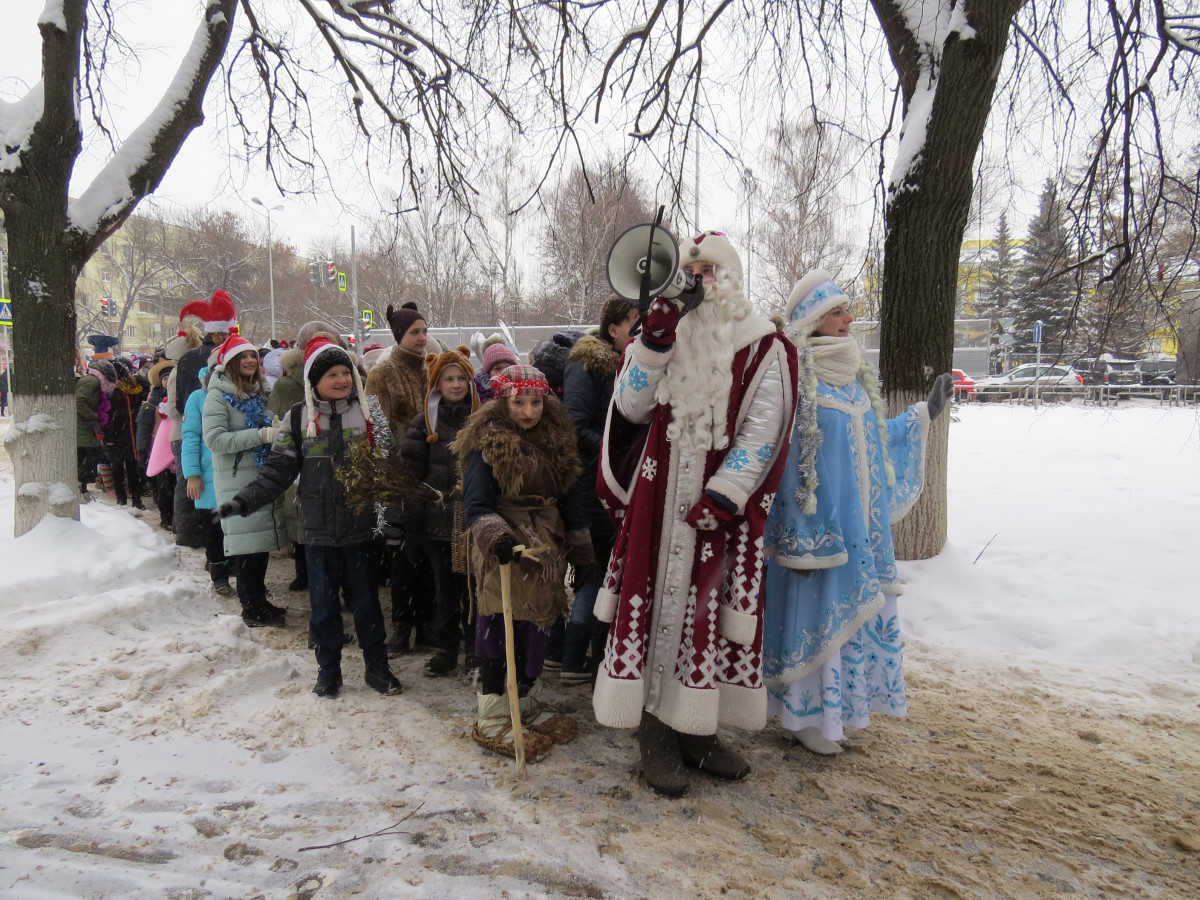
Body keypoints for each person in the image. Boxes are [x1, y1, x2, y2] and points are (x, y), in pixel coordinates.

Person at [592, 231, 798, 798]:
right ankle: (655, 733)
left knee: (701, 617)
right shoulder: (661, 333)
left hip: (716, 511)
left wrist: (728, 492)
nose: (700, 279)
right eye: (692, 268)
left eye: (711, 269)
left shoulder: (764, 345)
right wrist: (652, 342)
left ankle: (697, 730)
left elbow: (766, 423)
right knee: (658, 608)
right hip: (658, 504)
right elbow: (631, 405)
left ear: (730, 277)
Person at [762, 270, 953, 755]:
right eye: (838, 312)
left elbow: (873, 441)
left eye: (847, 310)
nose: (849, 319)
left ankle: (838, 712)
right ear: (813, 320)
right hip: (817, 531)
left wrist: (920, 417)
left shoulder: (853, 380)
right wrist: (802, 527)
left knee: (848, 618)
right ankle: (802, 717)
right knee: (815, 615)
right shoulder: (794, 377)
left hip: (857, 533)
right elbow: (779, 453)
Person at [220, 335, 403, 698]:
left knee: (367, 604)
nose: (342, 380)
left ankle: (377, 667)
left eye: (346, 372)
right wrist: (245, 500)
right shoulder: (299, 417)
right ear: (314, 380)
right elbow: (278, 471)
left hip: (360, 527)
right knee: (322, 607)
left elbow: (389, 468)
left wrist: (394, 511)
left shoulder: (368, 413)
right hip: (317, 531)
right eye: (332, 374)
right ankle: (328, 670)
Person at [457, 364, 594, 761]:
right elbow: (476, 503)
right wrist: (498, 537)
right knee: (502, 628)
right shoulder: (487, 443)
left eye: (536, 402)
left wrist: (581, 549)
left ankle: (527, 697)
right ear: (503, 402)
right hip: (505, 549)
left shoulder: (558, 441)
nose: (529, 412)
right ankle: (494, 713)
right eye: (519, 403)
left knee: (539, 626)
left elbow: (570, 500)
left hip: (545, 548)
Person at [559, 297, 638, 683]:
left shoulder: (625, 363)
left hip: (615, 483)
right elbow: (575, 423)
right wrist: (618, 451)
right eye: (633, 326)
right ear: (613, 329)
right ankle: (576, 657)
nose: (638, 334)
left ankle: (595, 654)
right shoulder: (589, 365)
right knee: (597, 572)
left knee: (609, 571)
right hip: (593, 485)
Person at [398, 346, 479, 678]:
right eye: (448, 379)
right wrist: (413, 520)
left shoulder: (482, 419)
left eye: (461, 378)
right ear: (437, 384)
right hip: (437, 524)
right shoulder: (424, 424)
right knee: (445, 589)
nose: (456, 385)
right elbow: (411, 475)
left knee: (474, 591)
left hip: (474, 522)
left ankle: (476, 647)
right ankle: (447, 648)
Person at [202, 334, 290, 628]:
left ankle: (258, 601)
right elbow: (215, 440)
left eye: (253, 355)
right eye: (243, 357)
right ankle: (251, 608)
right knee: (248, 546)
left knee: (260, 541)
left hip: (261, 475)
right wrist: (261, 435)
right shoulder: (217, 395)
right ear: (230, 363)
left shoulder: (259, 390)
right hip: (238, 479)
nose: (250, 360)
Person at [365, 302, 436, 656]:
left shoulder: (429, 367)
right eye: (415, 332)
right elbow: (377, 425)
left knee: (426, 550)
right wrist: (396, 468)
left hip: (430, 472)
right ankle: (401, 626)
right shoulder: (383, 372)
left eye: (424, 331)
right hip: (398, 475)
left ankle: (426, 624)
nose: (423, 338)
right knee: (401, 556)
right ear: (399, 336)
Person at [171, 291, 236, 547]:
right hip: (210, 434)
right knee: (216, 496)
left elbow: (177, 401)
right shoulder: (227, 360)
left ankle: (188, 535)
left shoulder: (187, 358)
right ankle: (220, 551)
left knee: (187, 486)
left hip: (188, 428)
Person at [181, 353, 231, 594]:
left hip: (235, 475)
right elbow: (190, 436)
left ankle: (239, 572)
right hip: (208, 478)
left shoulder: (241, 395)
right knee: (213, 530)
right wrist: (192, 473)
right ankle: (219, 575)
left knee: (236, 527)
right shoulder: (198, 398)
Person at [268, 342, 309, 591]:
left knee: (296, 514)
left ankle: (301, 572)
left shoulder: (283, 385)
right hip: (314, 449)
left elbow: (275, 412)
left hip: (294, 450)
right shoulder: (315, 380)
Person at [104, 357, 149, 508]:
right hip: (116, 437)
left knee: (133, 469)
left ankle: (136, 499)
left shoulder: (135, 391)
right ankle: (121, 499)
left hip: (132, 437)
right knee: (117, 469)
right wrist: (108, 436)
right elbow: (105, 417)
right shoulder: (111, 394)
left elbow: (146, 387)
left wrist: (136, 377)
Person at [76, 357, 116, 501]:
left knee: (82, 457)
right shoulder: (92, 381)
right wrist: (93, 418)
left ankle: (81, 489)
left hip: (83, 427)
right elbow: (78, 401)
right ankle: (79, 483)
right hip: (83, 427)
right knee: (96, 455)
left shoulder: (94, 381)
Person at [472, 337, 519, 403]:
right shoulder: (476, 397)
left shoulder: (523, 392)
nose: (503, 373)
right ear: (488, 373)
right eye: (497, 368)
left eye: (508, 368)